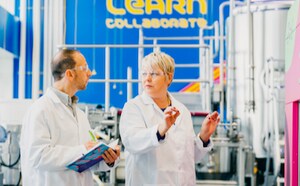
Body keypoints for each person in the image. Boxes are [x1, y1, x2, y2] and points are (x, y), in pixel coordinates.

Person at [20, 49, 120, 186]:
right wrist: (82, 150)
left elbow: (85, 161)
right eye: (84, 68)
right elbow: (38, 156)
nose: (90, 73)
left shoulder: (80, 114)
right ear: (70, 74)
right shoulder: (40, 109)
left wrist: (107, 159)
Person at [119, 51, 220, 186]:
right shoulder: (134, 107)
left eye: (154, 74)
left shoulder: (182, 111)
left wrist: (204, 136)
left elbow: (189, 157)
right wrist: (160, 129)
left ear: (169, 77)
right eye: (144, 73)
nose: (147, 78)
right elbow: (131, 142)